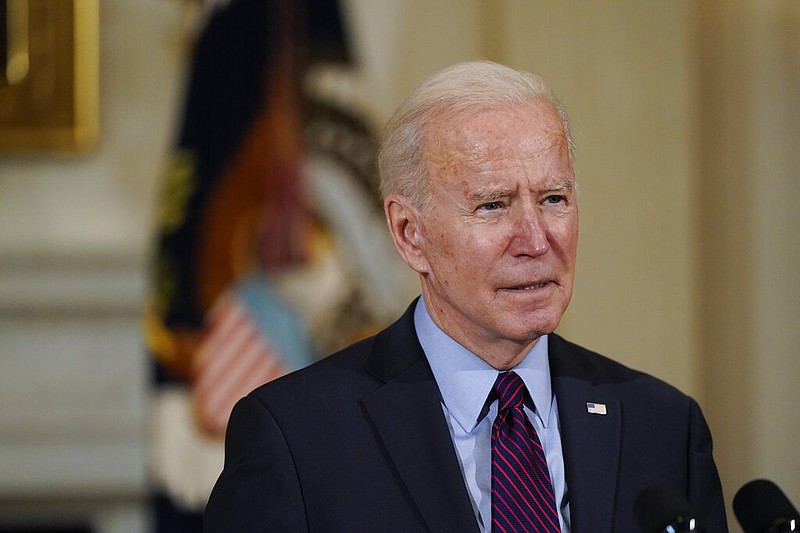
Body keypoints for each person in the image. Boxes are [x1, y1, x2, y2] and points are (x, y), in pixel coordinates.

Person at [203, 60, 727, 532]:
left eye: (553, 199)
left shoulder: (663, 427)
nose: (536, 239)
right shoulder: (296, 437)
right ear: (410, 234)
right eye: (493, 206)